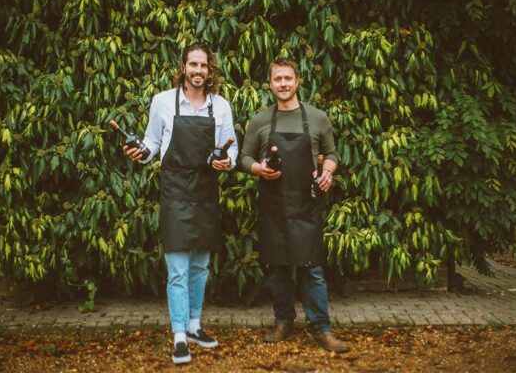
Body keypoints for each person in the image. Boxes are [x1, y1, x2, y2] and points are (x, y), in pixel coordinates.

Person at [124, 43, 238, 364]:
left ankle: (194, 325)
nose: (198, 70)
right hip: (175, 194)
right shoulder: (162, 102)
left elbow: (231, 149)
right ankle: (178, 336)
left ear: (210, 70)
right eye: (193, 64)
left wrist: (226, 162)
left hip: (205, 194)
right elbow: (152, 143)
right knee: (178, 270)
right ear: (183, 68)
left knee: (201, 266)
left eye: (203, 65)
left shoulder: (221, 107)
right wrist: (141, 153)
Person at [239, 58, 349, 353]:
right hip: (273, 207)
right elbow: (244, 158)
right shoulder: (260, 120)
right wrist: (258, 169)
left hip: (306, 205)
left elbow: (331, 154)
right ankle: (283, 321)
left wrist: (328, 172)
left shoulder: (317, 118)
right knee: (277, 268)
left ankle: (321, 328)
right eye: (278, 79)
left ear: (297, 81)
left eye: (288, 78)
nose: (283, 84)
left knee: (312, 269)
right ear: (270, 84)